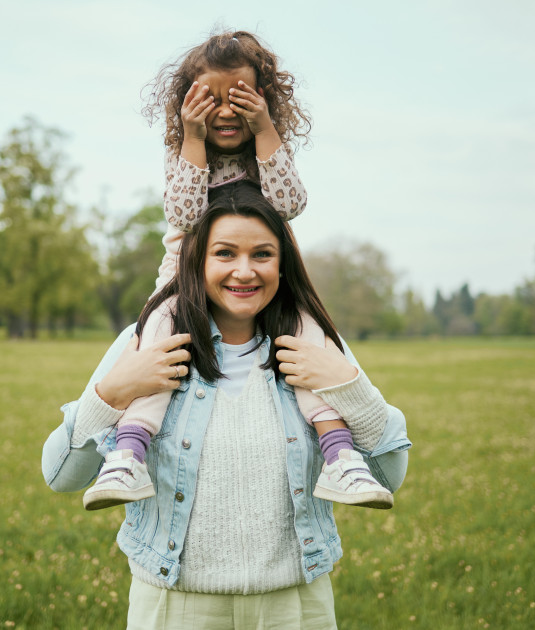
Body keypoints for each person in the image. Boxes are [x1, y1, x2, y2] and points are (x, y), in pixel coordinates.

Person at [42, 181, 412, 628]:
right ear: (196, 260)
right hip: (174, 603)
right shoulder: (146, 340)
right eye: (224, 253)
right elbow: (61, 475)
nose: (244, 271)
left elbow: (388, 477)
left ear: (282, 264)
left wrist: (348, 387)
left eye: (261, 254)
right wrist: (111, 394)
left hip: (295, 605)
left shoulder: (315, 345)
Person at [81, 29, 393, 511]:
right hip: (184, 270)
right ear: (186, 102)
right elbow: (184, 215)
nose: (226, 111)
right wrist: (193, 136)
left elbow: (290, 203)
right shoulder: (186, 148)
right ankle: (127, 454)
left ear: (262, 98)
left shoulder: (267, 147)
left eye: (240, 98)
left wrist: (265, 128)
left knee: (308, 337)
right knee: (157, 342)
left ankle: (340, 457)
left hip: (269, 273)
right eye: (210, 99)